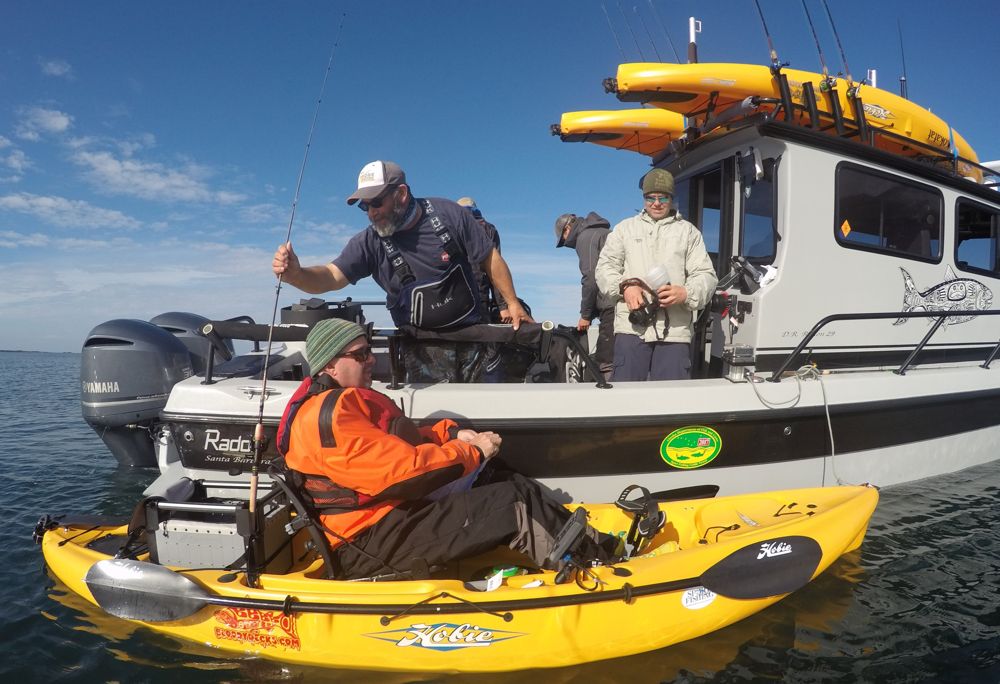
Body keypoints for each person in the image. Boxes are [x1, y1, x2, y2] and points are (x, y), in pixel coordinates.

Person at [277, 317, 618, 580]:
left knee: (503, 482)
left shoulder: (335, 405)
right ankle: (599, 570)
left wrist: (452, 433)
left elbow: (400, 440)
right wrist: (472, 452)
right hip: (366, 540)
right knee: (512, 504)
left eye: (369, 352)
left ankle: (595, 543)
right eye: (360, 354)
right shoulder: (331, 414)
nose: (370, 360)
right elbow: (402, 474)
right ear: (329, 366)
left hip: (387, 518)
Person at [272, 160, 532, 382]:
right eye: (365, 206)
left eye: (376, 202)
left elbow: (490, 259)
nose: (371, 213)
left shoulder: (450, 215)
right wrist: (297, 274)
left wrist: (512, 303)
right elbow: (331, 276)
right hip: (420, 349)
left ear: (402, 194)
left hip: (475, 338)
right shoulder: (368, 242)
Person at [595, 168, 718, 381]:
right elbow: (604, 268)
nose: (656, 203)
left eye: (663, 197)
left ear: (671, 198)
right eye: (650, 198)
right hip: (632, 329)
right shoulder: (624, 229)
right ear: (644, 198)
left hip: (676, 332)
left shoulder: (688, 232)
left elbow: (706, 275)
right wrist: (625, 287)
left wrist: (685, 293)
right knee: (626, 398)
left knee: (672, 402)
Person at [554, 212, 615, 378]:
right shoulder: (601, 232)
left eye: (563, 239)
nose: (566, 243)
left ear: (568, 228)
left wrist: (586, 316)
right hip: (621, 302)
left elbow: (591, 278)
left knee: (606, 362)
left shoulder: (585, 237)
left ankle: (611, 399)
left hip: (613, 306)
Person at [456, 196, 508, 322]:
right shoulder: (488, 229)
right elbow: (494, 268)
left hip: (453, 299)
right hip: (479, 297)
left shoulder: (447, 228)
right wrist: (502, 306)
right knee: (482, 337)